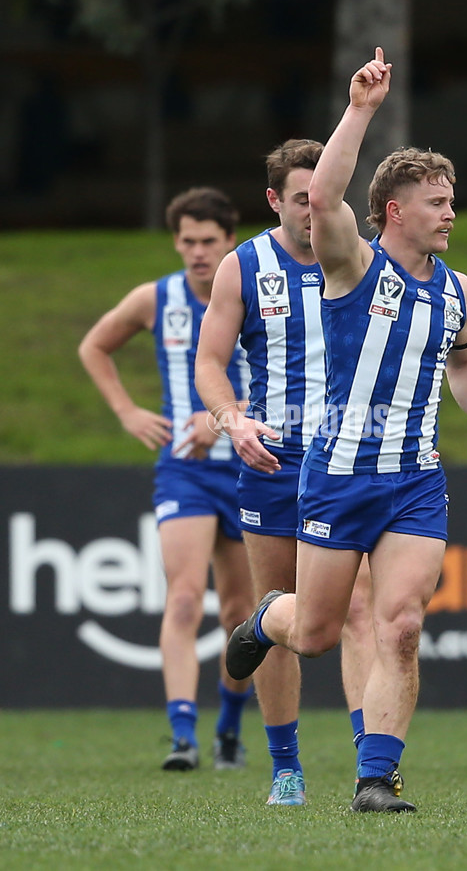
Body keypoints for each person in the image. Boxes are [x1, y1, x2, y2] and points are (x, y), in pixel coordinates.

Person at [225, 48, 467, 813]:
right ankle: (267, 619)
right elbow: (322, 200)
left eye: (453, 200)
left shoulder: (459, 290)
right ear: (394, 210)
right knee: (316, 632)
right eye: (437, 201)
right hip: (339, 472)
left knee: (402, 625)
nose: (451, 212)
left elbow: (466, 364)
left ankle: (376, 780)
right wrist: (360, 110)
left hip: (415, 479)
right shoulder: (352, 265)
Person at [195, 140, 375, 806]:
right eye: (301, 197)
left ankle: (371, 769)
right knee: (274, 614)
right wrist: (230, 420)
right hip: (273, 459)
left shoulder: (365, 260)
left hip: (353, 460)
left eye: (323, 194)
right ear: (275, 200)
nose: (314, 208)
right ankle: (286, 771)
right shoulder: (243, 267)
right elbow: (210, 362)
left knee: (358, 609)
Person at [78, 187, 255, 772]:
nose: (198, 253)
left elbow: (292, 375)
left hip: (253, 468)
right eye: (187, 242)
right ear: (176, 243)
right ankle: (183, 734)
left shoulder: (258, 291)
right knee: (182, 599)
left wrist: (220, 418)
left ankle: (230, 725)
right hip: (186, 471)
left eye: (209, 241)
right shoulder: (157, 299)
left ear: (229, 241)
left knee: (239, 614)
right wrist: (128, 412)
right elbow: (94, 346)